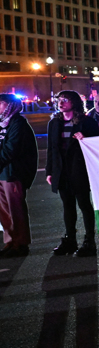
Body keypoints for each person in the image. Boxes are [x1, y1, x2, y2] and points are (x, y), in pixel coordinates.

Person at [46, 91, 99, 257]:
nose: (60, 103)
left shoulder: (87, 122)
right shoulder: (54, 123)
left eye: (65, 100)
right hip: (61, 170)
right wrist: (50, 171)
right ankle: (70, 240)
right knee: (67, 205)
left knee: (84, 204)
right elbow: (52, 149)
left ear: (75, 103)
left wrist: (86, 139)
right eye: (59, 100)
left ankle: (89, 241)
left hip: (80, 169)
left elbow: (97, 144)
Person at [0, 94, 38, 257]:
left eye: (1, 104)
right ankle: (10, 241)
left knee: (15, 208)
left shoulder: (18, 123)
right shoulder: (2, 124)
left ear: (10, 106)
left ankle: (21, 243)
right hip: (2, 171)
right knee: (3, 210)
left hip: (13, 172)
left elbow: (11, 149)